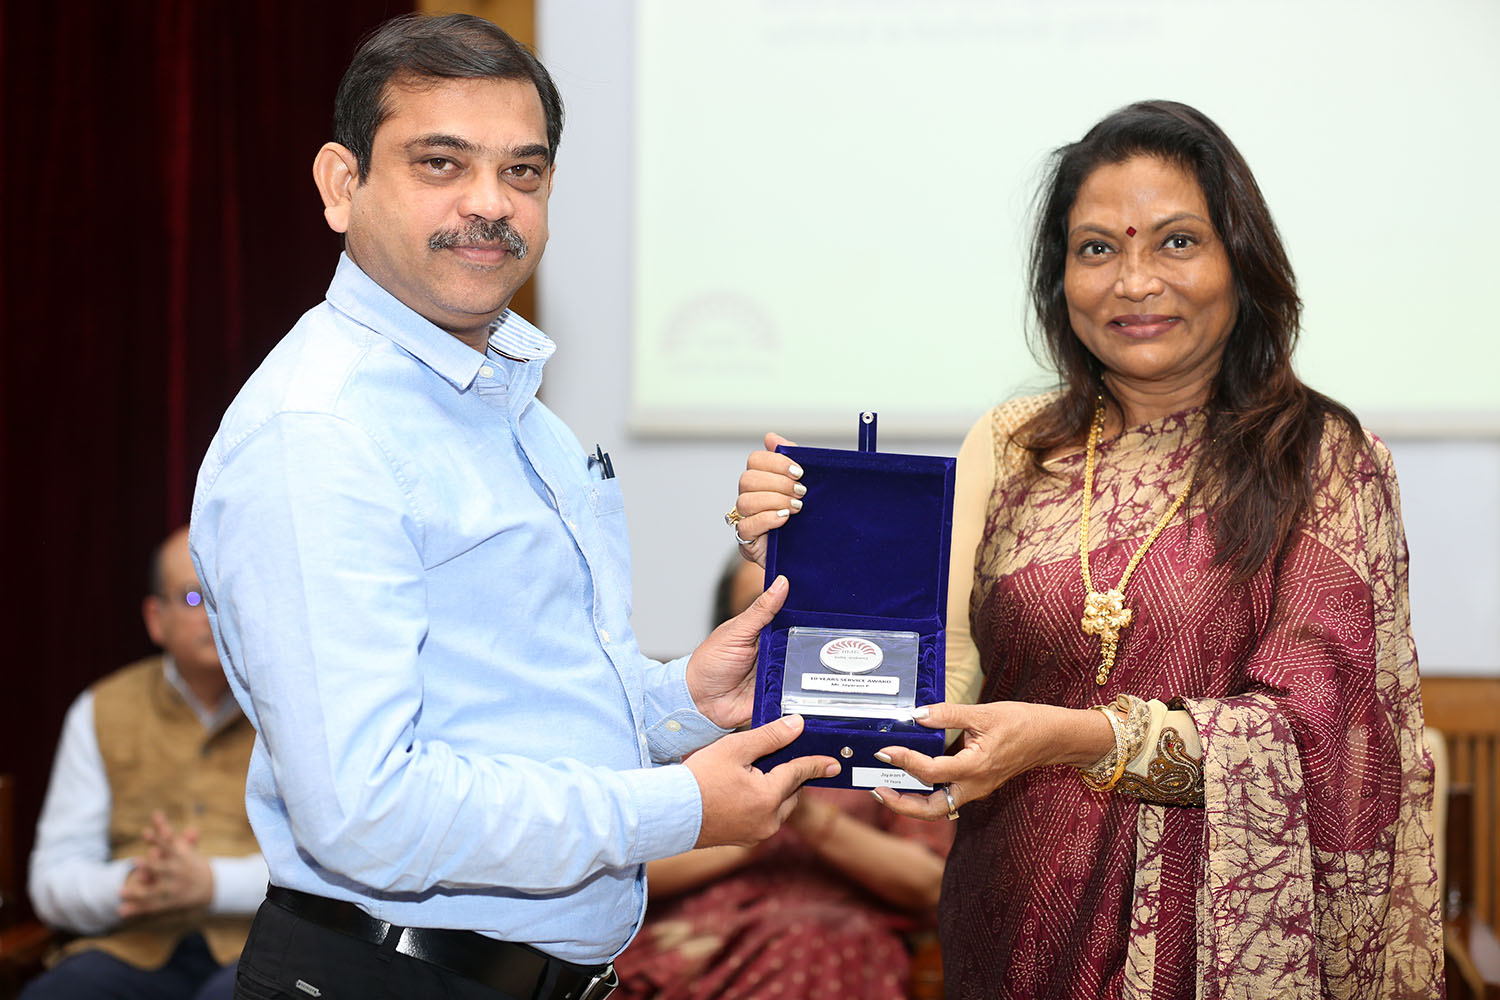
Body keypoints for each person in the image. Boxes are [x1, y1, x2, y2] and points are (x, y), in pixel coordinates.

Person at [188, 13, 836, 1000]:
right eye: (441, 163)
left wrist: (682, 701)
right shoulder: (317, 430)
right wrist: (675, 809)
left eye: (523, 173)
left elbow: (515, 708)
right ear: (340, 184)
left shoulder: (519, 415)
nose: (491, 203)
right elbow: (363, 810)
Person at [732, 100, 1441, 998]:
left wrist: (1070, 739)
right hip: (1015, 909)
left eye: (1177, 242)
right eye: (1097, 248)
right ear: (1060, 278)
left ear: (1240, 260)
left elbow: (1320, 742)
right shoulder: (1015, 440)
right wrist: (792, 557)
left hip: (1214, 941)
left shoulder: (1324, 459)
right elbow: (943, 662)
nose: (1133, 282)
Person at [612, 559, 954, 1000]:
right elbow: (623, 866)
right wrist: (747, 827)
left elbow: (930, 886)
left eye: (804, 615)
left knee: (821, 938)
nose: (787, 638)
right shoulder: (681, 734)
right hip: (693, 937)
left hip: (827, 945)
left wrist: (808, 818)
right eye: (765, 618)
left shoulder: (896, 739)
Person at [24, 526, 265, 1000]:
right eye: (196, 598)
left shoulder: (291, 712)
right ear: (156, 619)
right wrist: (136, 883)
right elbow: (52, 879)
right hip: (132, 944)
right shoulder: (100, 709)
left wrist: (211, 885)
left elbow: (327, 870)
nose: (216, 614)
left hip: (256, 947)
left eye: (228, 593)